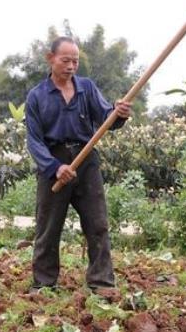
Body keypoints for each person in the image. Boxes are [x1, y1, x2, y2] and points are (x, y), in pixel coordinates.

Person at [25, 36, 132, 291]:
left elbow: (107, 118)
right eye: (65, 60)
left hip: (86, 161)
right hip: (54, 164)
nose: (71, 66)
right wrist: (54, 167)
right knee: (48, 228)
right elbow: (34, 141)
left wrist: (119, 114)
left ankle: (102, 283)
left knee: (97, 224)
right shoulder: (37, 96)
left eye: (75, 61)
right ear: (50, 59)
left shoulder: (87, 88)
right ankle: (43, 284)